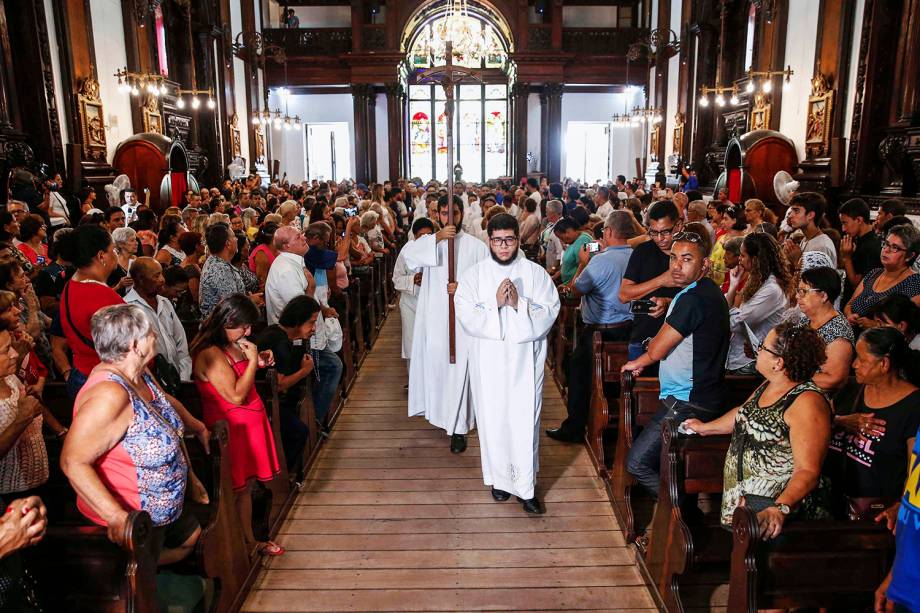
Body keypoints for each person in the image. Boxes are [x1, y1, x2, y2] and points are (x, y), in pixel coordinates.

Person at [61, 304, 209, 565]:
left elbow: (165, 405)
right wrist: (117, 517)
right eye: (150, 332)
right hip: (136, 515)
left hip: (164, 510)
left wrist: (195, 426)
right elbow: (72, 461)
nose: (155, 334)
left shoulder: (138, 373)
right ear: (135, 345)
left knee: (192, 537)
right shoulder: (109, 395)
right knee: (144, 581)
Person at [682, 322, 832, 536]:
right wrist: (705, 428)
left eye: (763, 347)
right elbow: (743, 413)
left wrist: (780, 508)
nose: (758, 350)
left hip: (773, 510)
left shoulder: (806, 402)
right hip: (745, 500)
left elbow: (807, 470)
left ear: (778, 362)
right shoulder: (770, 384)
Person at [455, 213, 560, 514]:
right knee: (493, 420)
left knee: (525, 420)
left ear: (518, 239)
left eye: (509, 240)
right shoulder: (474, 275)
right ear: (489, 240)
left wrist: (519, 304)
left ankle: (526, 488)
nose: (503, 246)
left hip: (524, 362)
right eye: (498, 240)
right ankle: (500, 481)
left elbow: (549, 311)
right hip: (488, 359)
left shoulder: (535, 273)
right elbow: (464, 312)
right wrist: (494, 304)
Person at [621, 230, 730, 497]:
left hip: (687, 400)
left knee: (636, 463)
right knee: (663, 462)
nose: (677, 266)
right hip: (700, 394)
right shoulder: (704, 291)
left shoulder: (693, 298)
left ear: (704, 264)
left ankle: (680, 521)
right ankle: (678, 517)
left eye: (687, 259)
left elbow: (657, 349)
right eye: (673, 258)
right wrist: (671, 303)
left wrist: (637, 362)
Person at [190, 294, 283, 556]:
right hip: (231, 430)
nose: (249, 332)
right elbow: (234, 395)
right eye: (243, 326)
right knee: (237, 490)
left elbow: (239, 374)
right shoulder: (210, 353)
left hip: (248, 425)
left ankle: (249, 540)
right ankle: (242, 545)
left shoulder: (231, 345)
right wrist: (253, 361)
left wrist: (258, 361)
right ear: (226, 322)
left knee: (247, 488)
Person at [401, 195, 489, 453]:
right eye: (443, 213)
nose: (450, 218)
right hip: (437, 320)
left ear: (462, 214)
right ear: (437, 215)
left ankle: (459, 427)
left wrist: (463, 290)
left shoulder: (476, 246)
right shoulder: (431, 243)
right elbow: (409, 258)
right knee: (441, 368)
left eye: (455, 213)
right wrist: (438, 237)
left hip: (464, 322)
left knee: (461, 370)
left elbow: (486, 282)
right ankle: (442, 416)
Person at [547, 211, 636, 442]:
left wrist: (583, 264)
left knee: (579, 375)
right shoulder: (636, 256)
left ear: (608, 232)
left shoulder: (600, 261)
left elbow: (577, 289)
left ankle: (575, 427)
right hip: (629, 327)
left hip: (601, 329)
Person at [827, 327, 920, 519]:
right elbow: (820, 426)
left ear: (884, 363)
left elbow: (916, 469)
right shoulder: (849, 389)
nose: (854, 364)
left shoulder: (914, 406)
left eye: (861, 360)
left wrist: (900, 508)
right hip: (830, 502)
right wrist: (840, 421)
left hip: (876, 512)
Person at [264, 226, 341, 426]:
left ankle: (313, 419)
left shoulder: (294, 263)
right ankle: (311, 421)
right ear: (286, 245)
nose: (304, 237)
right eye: (298, 236)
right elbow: (300, 311)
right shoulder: (285, 270)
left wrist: (322, 308)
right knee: (331, 367)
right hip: (296, 339)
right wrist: (313, 289)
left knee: (332, 366)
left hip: (306, 335)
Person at [256, 295, 320, 475]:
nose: (313, 329)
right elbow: (279, 385)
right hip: (268, 402)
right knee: (298, 433)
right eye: (311, 323)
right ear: (298, 320)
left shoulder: (276, 330)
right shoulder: (280, 343)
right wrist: (305, 371)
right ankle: (285, 475)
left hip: (275, 399)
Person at [58, 224, 124, 398]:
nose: (116, 254)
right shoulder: (104, 297)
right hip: (105, 381)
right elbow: (127, 349)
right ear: (101, 256)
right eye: (113, 250)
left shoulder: (71, 285)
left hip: (81, 372)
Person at [618, 200, 683, 363]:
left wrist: (667, 303)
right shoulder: (643, 252)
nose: (660, 238)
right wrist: (662, 280)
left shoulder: (689, 255)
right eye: (654, 232)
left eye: (666, 232)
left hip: (680, 342)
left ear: (678, 225)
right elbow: (624, 295)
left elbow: (698, 298)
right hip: (643, 337)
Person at [725, 233, 793, 374]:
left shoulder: (772, 289)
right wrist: (733, 286)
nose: (739, 260)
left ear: (755, 259)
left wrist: (727, 314)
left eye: (743, 256)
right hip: (739, 357)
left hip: (749, 362)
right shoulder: (757, 280)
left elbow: (738, 323)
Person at [123, 258, 193, 380]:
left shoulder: (165, 303)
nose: (162, 280)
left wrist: (183, 377)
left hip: (178, 377)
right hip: (150, 381)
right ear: (140, 279)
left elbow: (180, 343)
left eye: (161, 274)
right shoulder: (128, 307)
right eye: (156, 276)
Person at [0, 320, 47, 496]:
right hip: (7, 493)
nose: (14, 354)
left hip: (32, 482)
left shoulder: (10, 378)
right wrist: (22, 419)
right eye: (6, 350)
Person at [845, 224, 920, 327]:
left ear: (910, 256)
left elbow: (907, 327)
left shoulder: (915, 283)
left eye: (895, 247)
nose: (886, 250)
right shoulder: (874, 273)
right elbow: (849, 304)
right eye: (886, 244)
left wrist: (875, 325)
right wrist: (849, 315)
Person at [795, 266, 855, 391]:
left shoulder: (838, 333)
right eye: (798, 291)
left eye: (803, 291)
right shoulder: (807, 320)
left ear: (823, 296)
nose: (797, 296)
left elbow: (833, 379)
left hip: (813, 397)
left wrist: (789, 376)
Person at [393, 219, 434, 378]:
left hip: (432, 304)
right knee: (412, 343)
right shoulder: (406, 251)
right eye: (421, 236)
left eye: (428, 235)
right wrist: (412, 280)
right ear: (414, 236)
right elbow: (396, 279)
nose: (424, 239)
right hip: (411, 303)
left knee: (432, 343)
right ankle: (414, 380)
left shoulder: (439, 250)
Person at [838, 198, 882, 304]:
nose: (843, 229)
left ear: (859, 220)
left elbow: (857, 284)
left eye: (845, 223)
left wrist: (847, 257)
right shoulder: (858, 239)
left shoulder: (871, 246)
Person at [199, 223, 248, 318]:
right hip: (222, 328)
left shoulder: (214, 261)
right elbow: (232, 308)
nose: (237, 239)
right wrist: (250, 300)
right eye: (234, 237)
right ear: (228, 244)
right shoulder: (221, 271)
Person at [783, 192, 837, 267]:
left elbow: (817, 278)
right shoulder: (806, 239)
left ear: (810, 215)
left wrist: (796, 261)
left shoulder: (821, 246)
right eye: (791, 211)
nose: (791, 215)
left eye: (796, 211)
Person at [710, 205, 747, 286]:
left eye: (726, 219)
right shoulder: (721, 238)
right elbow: (712, 259)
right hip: (713, 283)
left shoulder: (744, 242)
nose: (722, 222)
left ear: (734, 220)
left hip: (731, 283)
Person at [553, 218, 593, 285]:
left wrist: (569, 286)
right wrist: (554, 277)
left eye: (561, 238)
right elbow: (568, 264)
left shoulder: (583, 240)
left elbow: (583, 269)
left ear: (568, 231)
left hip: (575, 286)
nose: (562, 241)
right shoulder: (574, 241)